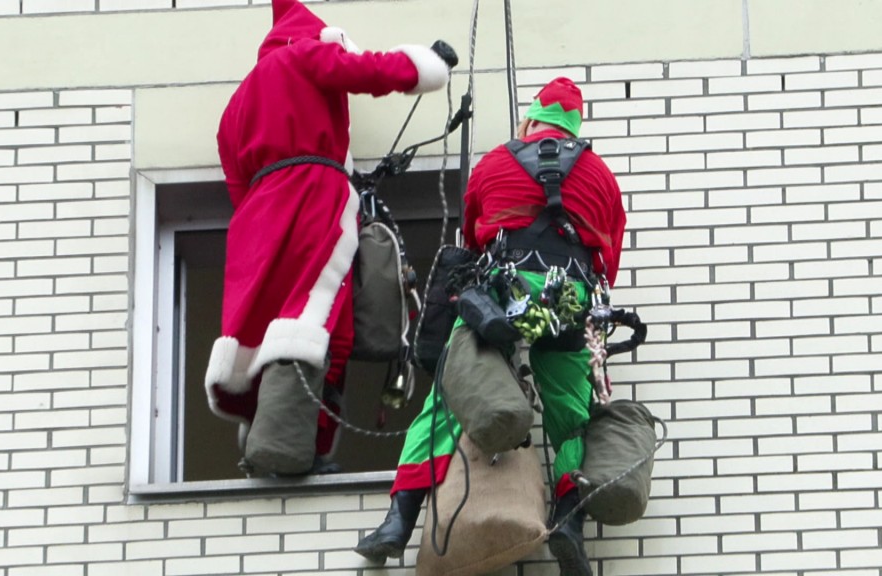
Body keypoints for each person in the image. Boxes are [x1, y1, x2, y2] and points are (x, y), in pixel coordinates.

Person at [355, 77, 626, 576]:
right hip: (570, 299)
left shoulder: (497, 163)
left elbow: (476, 233)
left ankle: (398, 520)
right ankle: (569, 524)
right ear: (575, 126)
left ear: (531, 119)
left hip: (504, 294)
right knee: (570, 412)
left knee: (449, 397)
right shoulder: (601, 177)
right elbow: (609, 257)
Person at [204, 0, 456, 477]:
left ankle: (272, 438)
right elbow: (366, 72)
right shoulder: (303, 55)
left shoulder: (234, 107)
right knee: (319, 323)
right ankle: (295, 447)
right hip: (311, 198)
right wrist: (427, 66)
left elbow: (237, 186)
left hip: (256, 220)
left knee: (270, 327)